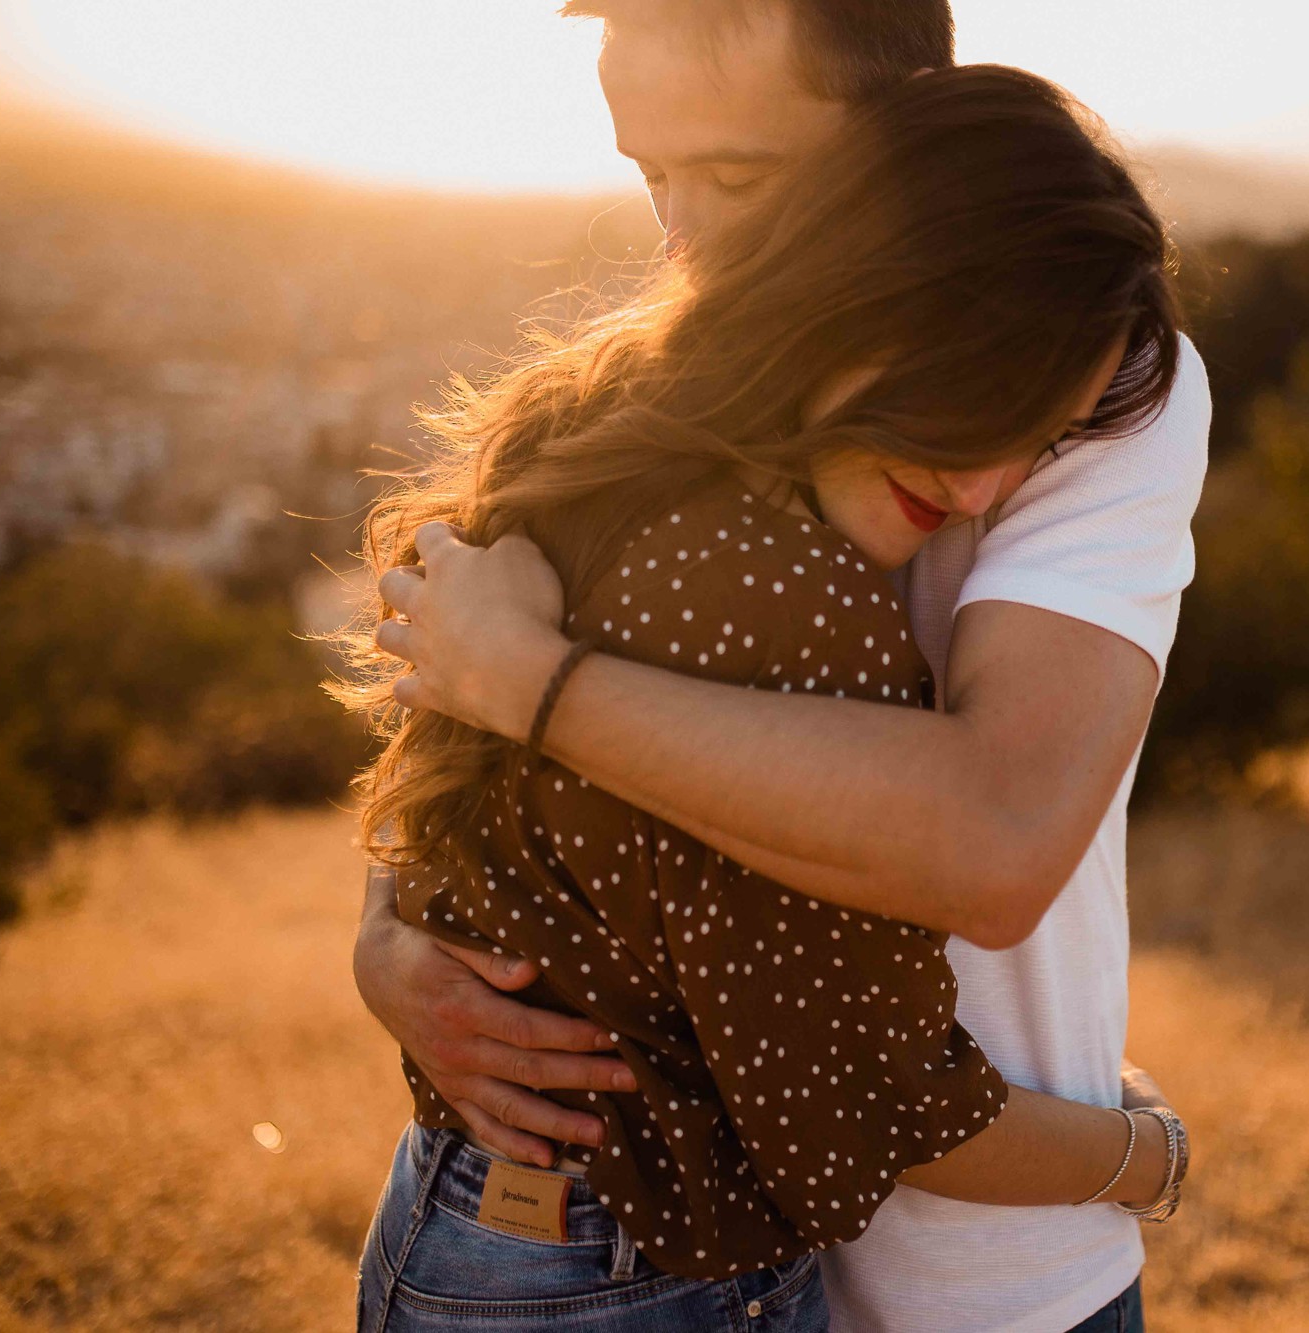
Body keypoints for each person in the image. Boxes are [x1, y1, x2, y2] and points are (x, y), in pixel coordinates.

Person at [358, 3, 1211, 1330]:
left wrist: (531, 682)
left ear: (909, 145)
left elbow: (996, 843)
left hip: (974, 1280)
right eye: (654, 175)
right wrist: (390, 930)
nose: (683, 247)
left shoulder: (1086, 362)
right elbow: (453, 711)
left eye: (740, 178)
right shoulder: (662, 422)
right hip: (657, 1246)